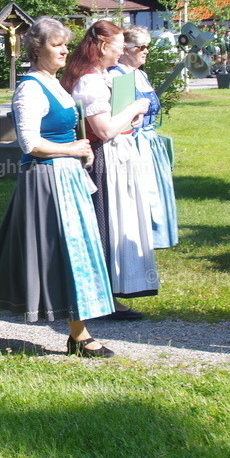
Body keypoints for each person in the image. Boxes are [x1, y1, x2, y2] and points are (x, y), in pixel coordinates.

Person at [0, 17, 117, 357]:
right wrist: (73, 149)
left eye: (66, 43)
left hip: (66, 178)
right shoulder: (30, 88)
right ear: (37, 49)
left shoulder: (54, 83)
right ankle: (78, 336)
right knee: (65, 253)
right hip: (45, 179)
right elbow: (29, 143)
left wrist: (79, 152)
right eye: (56, 44)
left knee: (21, 251)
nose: (65, 49)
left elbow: (65, 129)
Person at [62, 20, 157, 321]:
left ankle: (105, 295)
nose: (119, 56)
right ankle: (101, 299)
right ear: (103, 47)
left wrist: (130, 116)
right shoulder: (89, 80)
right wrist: (134, 108)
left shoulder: (98, 75)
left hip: (106, 155)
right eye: (117, 49)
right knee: (103, 227)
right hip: (98, 159)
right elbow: (103, 130)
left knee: (108, 226)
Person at [113, 25, 179, 249]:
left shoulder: (141, 74)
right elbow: (121, 118)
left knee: (156, 188)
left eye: (147, 46)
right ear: (126, 49)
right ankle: (144, 235)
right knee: (142, 190)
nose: (146, 51)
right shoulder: (119, 76)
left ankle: (160, 235)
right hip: (135, 141)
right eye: (141, 46)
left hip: (150, 141)